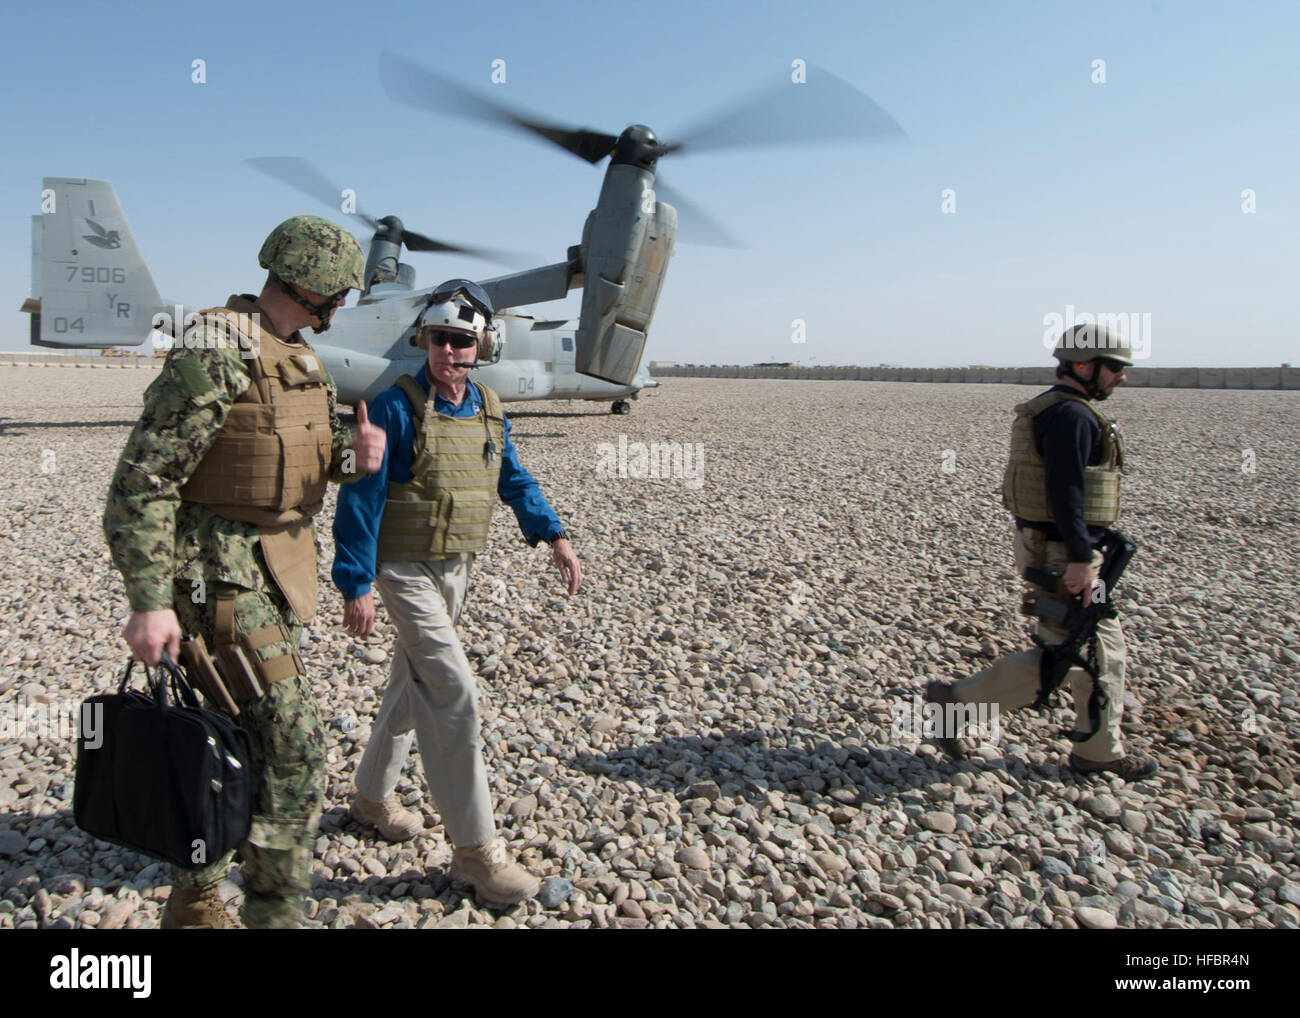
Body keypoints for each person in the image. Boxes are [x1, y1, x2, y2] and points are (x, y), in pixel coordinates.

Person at [103, 215, 386, 928]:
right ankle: (273, 914)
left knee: (227, 737)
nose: (345, 306)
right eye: (339, 292)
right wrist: (148, 602)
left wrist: (359, 457)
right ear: (311, 285)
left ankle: (196, 900)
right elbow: (142, 483)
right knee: (294, 748)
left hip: (278, 570)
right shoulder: (218, 350)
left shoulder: (300, 357)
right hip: (216, 578)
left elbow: (307, 461)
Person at [332, 278, 582, 906]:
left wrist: (553, 534)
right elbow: (361, 497)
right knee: (453, 690)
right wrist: (355, 580)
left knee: (411, 686)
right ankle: (476, 852)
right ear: (425, 342)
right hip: (402, 568)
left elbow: (513, 478)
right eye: (439, 339)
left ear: (480, 349)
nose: (449, 351)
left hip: (457, 567)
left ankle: (369, 798)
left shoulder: (490, 408)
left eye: (461, 341)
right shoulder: (394, 406)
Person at [924, 324, 1157, 781]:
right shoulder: (1071, 416)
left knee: (1086, 648)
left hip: (1053, 545)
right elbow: (1065, 490)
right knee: (1077, 649)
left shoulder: (1061, 409)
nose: (1122, 378)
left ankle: (1093, 746)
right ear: (1084, 366)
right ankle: (961, 705)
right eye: (1116, 368)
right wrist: (1079, 556)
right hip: (1059, 550)